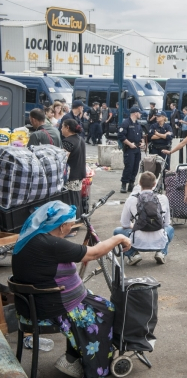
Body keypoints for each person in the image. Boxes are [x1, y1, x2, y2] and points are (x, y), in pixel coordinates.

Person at [11, 201, 131, 378]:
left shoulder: (31, 238)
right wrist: (118, 238)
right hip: (48, 309)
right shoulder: (51, 244)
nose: (72, 227)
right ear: (61, 227)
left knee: (93, 299)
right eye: (70, 224)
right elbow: (94, 252)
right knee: (106, 310)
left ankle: (72, 357)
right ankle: (93, 366)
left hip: (31, 305)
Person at [114, 172, 174, 265]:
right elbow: (166, 223)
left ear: (139, 183)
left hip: (137, 242)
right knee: (170, 229)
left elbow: (124, 224)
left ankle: (133, 254)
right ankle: (161, 252)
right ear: (154, 184)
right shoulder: (163, 198)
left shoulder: (131, 199)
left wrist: (135, 225)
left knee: (117, 232)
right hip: (159, 241)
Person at [61, 119, 86, 219]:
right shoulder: (80, 139)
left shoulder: (67, 142)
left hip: (71, 176)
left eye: (62, 127)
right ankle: (77, 221)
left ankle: (72, 224)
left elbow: (63, 160)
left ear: (67, 127)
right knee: (76, 199)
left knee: (70, 200)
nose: (61, 129)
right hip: (79, 174)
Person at [118, 106, 143, 193]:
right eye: (139, 113)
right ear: (135, 113)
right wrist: (129, 144)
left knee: (135, 167)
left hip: (137, 148)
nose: (140, 114)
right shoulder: (126, 123)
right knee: (129, 166)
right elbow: (121, 136)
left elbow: (141, 135)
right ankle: (124, 184)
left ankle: (131, 184)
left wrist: (142, 142)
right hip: (129, 148)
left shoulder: (137, 124)